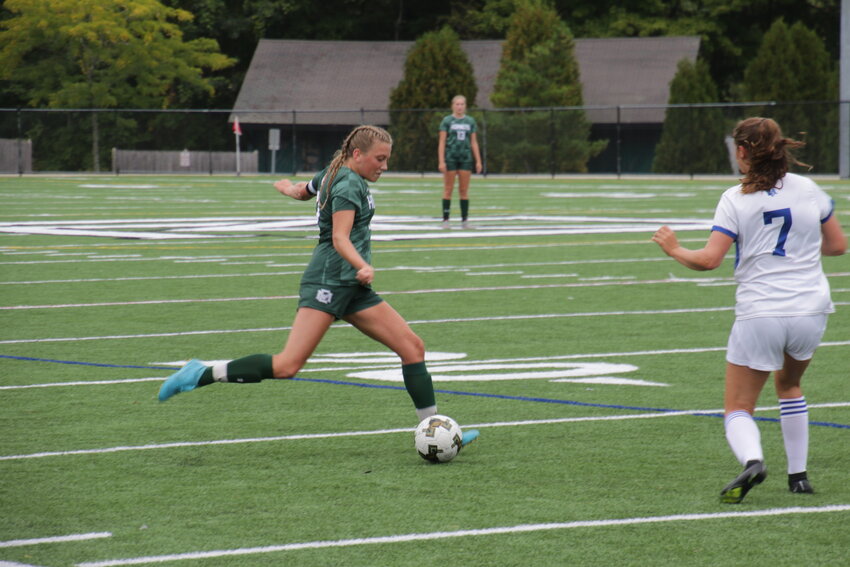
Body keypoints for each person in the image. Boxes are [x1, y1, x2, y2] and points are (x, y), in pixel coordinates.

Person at [158, 125, 479, 448]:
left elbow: (302, 191)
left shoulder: (334, 169)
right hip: (328, 281)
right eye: (379, 159)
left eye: (386, 159)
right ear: (358, 154)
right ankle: (201, 373)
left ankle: (434, 430)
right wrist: (362, 264)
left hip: (350, 285)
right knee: (287, 366)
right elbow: (340, 237)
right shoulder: (348, 184)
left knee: (412, 348)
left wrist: (285, 187)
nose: (384, 166)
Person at [652, 117, 846, 504]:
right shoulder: (808, 189)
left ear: (742, 152)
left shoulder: (736, 197)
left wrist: (673, 248)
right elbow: (838, 245)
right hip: (811, 308)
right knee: (789, 384)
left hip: (762, 311)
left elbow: (709, 260)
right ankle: (799, 477)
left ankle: (753, 460)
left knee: (739, 407)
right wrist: (801, 252)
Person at [438, 95, 483, 229]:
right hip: (451, 157)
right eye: (457, 104)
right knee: (448, 189)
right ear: (453, 106)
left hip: (465, 158)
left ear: (465, 106)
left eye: (462, 104)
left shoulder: (470, 121)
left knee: (463, 190)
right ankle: (445, 220)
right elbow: (442, 142)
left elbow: (474, 142)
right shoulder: (447, 121)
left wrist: (478, 161)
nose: (459, 107)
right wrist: (441, 161)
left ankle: (465, 220)